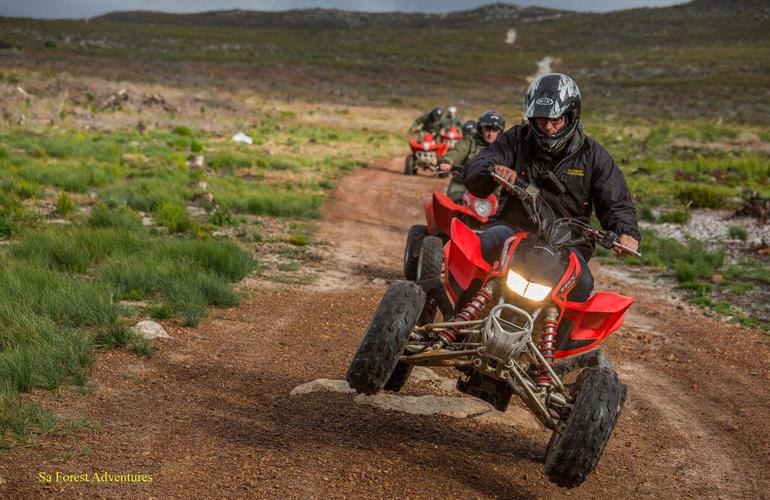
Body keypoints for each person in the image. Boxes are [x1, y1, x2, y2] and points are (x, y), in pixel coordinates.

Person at [462, 73, 641, 302]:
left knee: (582, 285)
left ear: (570, 116)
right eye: (541, 120)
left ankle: (555, 337)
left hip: (569, 241)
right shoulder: (516, 138)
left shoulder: (594, 156)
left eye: (556, 120)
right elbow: (479, 165)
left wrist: (626, 232)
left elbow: (616, 200)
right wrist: (492, 170)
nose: (548, 127)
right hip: (514, 227)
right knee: (481, 248)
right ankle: (459, 319)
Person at [438, 111, 505, 202]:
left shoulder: (504, 148)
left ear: (500, 132)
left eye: (494, 131)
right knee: (453, 206)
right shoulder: (470, 141)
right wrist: (447, 161)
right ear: (481, 129)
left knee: (503, 211)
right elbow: (458, 151)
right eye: (487, 129)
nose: (490, 134)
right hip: (463, 185)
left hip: (493, 191)